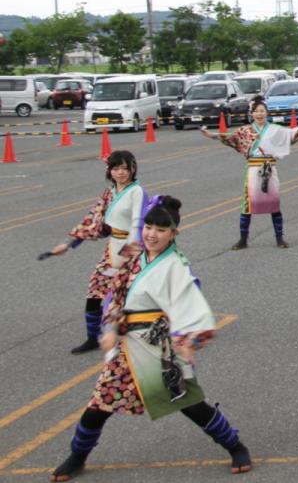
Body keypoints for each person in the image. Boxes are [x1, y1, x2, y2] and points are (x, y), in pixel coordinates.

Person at [48, 196, 252, 481]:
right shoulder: (135, 253)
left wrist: (189, 343)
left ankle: (235, 446)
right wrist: (110, 328)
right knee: (98, 407)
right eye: (148, 227)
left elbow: (193, 311)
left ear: (173, 233)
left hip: (161, 346)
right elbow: (115, 293)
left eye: (161, 229)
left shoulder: (177, 267)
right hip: (127, 348)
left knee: (190, 404)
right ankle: (77, 456)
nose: (152, 234)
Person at [43, 150, 145, 354]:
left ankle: (147, 337)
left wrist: (129, 251)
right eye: (115, 169)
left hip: (131, 251)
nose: (120, 173)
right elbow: (93, 220)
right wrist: (68, 244)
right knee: (95, 293)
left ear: (133, 169)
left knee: (132, 296)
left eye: (125, 168)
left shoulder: (137, 191)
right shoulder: (109, 193)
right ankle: (93, 338)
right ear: (109, 171)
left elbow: (137, 223)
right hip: (112, 248)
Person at [201, 95, 298, 250]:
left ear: (267, 113)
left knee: (274, 203)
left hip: (269, 168)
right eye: (256, 111)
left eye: (262, 111)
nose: (260, 114)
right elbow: (230, 137)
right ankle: (243, 239)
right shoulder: (244, 131)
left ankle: (280, 238)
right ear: (251, 114)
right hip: (254, 169)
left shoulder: (275, 129)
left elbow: (290, 135)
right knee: (247, 206)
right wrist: (212, 135)